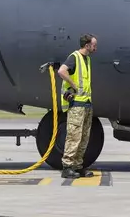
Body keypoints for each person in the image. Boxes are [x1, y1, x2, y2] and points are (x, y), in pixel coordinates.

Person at [57, 33, 98, 179]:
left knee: (84, 137)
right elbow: (61, 71)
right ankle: (67, 166)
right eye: (94, 45)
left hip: (86, 103)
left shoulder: (86, 59)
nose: (95, 47)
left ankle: (78, 166)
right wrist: (73, 85)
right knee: (74, 136)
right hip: (77, 105)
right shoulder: (74, 57)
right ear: (87, 45)